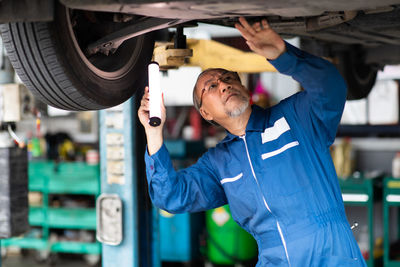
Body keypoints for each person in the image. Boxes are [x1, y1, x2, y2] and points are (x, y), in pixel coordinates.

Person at [138, 17, 366, 267]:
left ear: (244, 87)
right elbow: (170, 196)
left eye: (228, 78)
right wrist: (153, 134)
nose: (223, 85)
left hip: (332, 257)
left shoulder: (296, 118)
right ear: (206, 114)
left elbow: (330, 86)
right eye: (211, 87)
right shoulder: (219, 164)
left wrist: (283, 54)